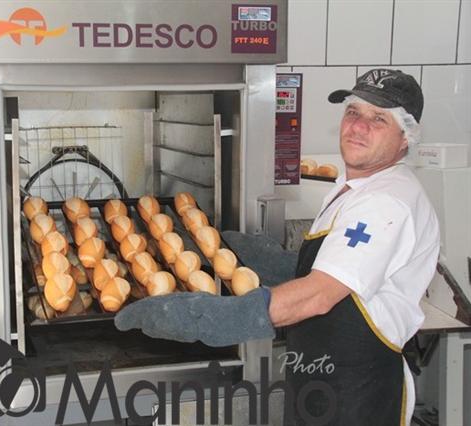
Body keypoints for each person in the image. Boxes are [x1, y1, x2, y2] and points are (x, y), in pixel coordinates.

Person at [115, 69, 440, 426]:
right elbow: (343, 276)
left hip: (358, 395)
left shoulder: (386, 203)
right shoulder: (357, 187)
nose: (358, 126)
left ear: (405, 138)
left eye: (379, 119)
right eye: (353, 112)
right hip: (322, 380)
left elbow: (317, 297)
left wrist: (207, 318)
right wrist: (268, 263)